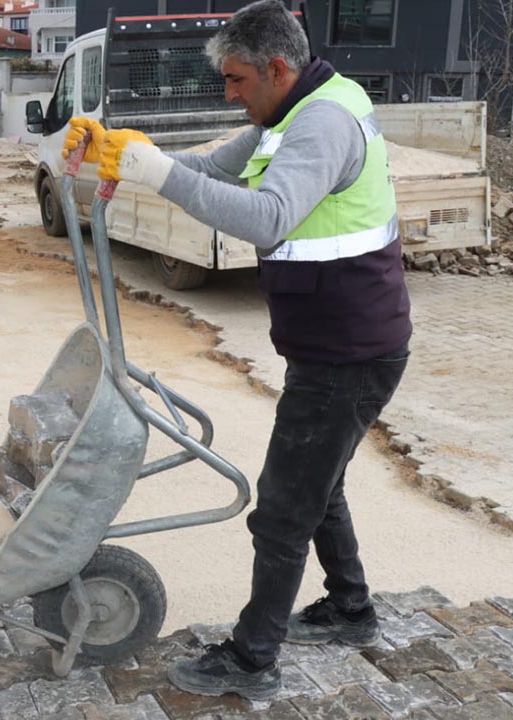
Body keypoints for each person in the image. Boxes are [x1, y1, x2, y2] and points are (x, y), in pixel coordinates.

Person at [64, 0, 411, 700]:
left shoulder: (322, 124)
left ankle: (253, 661)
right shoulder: (285, 115)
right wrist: (124, 154)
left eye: (235, 80)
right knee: (322, 484)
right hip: (338, 341)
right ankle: (351, 608)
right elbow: (209, 171)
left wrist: (157, 174)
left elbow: (267, 218)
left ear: (277, 68)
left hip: (349, 353)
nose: (227, 93)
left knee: (283, 508)